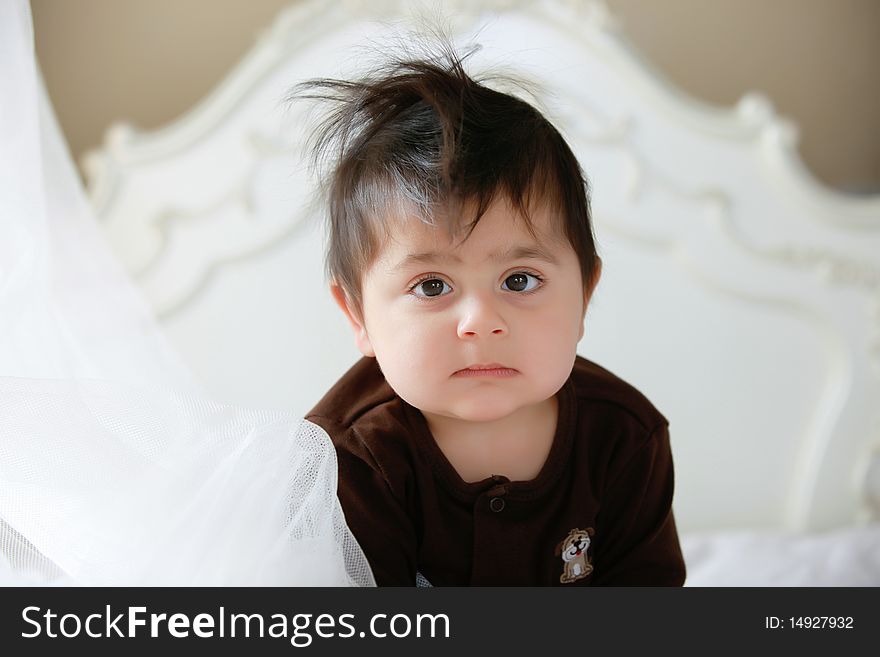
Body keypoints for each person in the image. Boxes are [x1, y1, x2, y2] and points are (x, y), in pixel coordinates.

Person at [300, 43, 687, 586]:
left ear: (585, 294)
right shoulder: (348, 462)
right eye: (432, 285)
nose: (480, 321)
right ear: (357, 314)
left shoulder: (625, 437)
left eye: (520, 280)